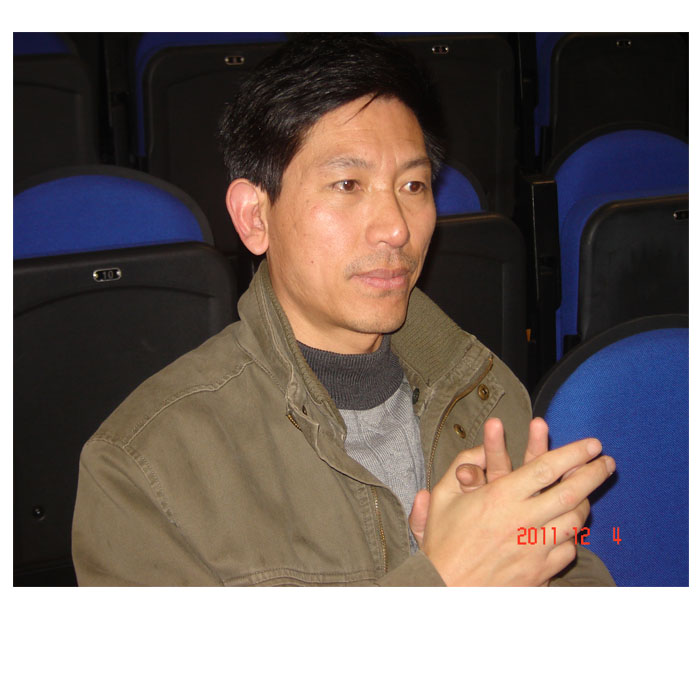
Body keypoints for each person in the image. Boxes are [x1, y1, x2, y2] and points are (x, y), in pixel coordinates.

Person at [72, 33, 615, 586]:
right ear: (255, 216)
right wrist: (445, 581)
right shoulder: (142, 466)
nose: (396, 227)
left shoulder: (483, 393)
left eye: (414, 185)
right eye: (348, 184)